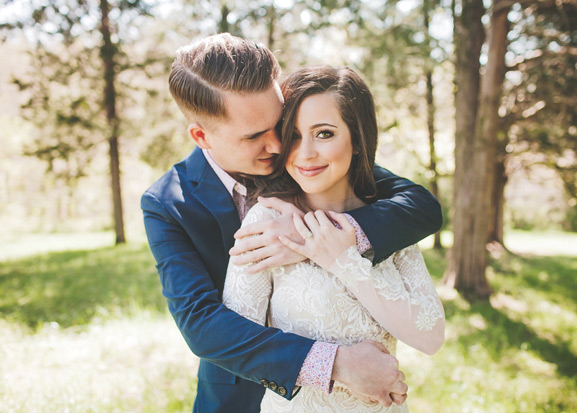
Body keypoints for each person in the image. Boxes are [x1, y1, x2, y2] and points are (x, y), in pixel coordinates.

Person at [141, 33, 443, 413]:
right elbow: (202, 324)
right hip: (236, 393)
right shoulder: (168, 203)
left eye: (279, 124)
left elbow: (420, 207)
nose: (279, 145)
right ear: (202, 136)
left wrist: (316, 235)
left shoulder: (307, 158)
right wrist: (337, 364)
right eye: (254, 136)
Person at [222, 66, 445, 412]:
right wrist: (338, 368)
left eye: (324, 134)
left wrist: (342, 260)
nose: (305, 153)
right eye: (293, 135)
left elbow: (430, 337)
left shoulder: (391, 223)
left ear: (357, 140)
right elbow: (239, 343)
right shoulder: (266, 222)